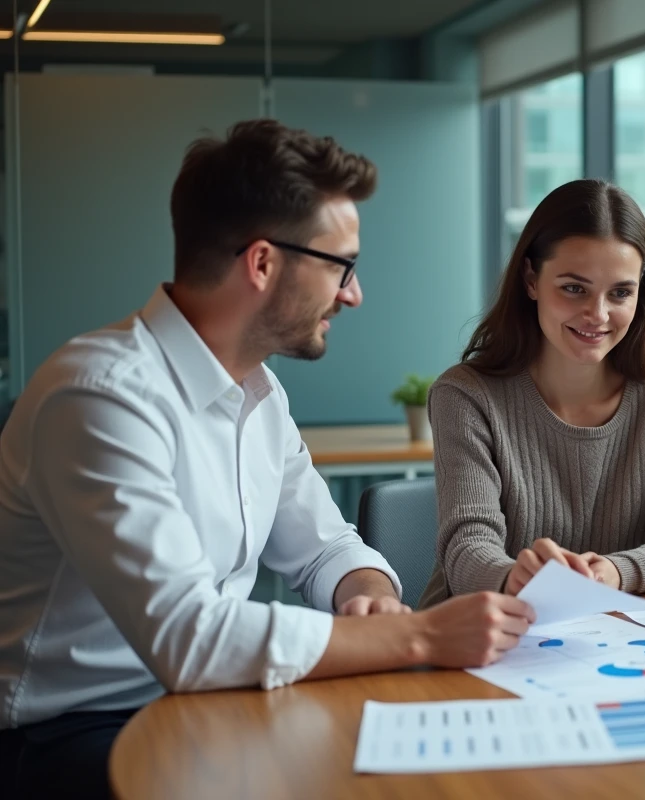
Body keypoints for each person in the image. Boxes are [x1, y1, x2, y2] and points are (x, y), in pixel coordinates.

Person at [0, 120, 534, 799]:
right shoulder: (99, 399)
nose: (353, 294)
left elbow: (322, 547)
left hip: (211, 700)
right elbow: (189, 637)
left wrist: (365, 594)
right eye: (341, 266)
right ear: (261, 263)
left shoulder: (258, 390)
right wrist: (421, 639)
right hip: (72, 733)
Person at [418, 179, 645, 609]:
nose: (598, 315)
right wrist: (515, 578)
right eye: (574, 288)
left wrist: (611, 573)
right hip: (483, 641)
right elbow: (466, 550)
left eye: (620, 292)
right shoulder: (465, 395)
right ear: (531, 278)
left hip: (618, 639)